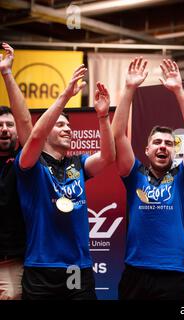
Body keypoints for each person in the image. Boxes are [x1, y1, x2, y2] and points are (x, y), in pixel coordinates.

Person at [14, 65, 115, 300]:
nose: (68, 129)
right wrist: (65, 96)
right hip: (41, 267)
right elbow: (36, 136)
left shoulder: (78, 163)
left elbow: (108, 157)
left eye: (69, 125)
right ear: (48, 129)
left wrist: (102, 117)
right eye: (60, 125)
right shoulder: (31, 162)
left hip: (77, 267)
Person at [113, 57, 184, 300]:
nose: (163, 147)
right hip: (135, 273)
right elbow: (118, 135)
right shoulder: (134, 174)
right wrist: (130, 88)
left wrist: (178, 91)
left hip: (172, 276)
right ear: (147, 150)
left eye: (168, 143)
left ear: (175, 150)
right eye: (157, 142)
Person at [0, 43, 33, 300]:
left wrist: (7, 74)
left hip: (13, 263)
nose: (4, 129)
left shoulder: (24, 162)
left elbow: (25, 122)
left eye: (9, 125)